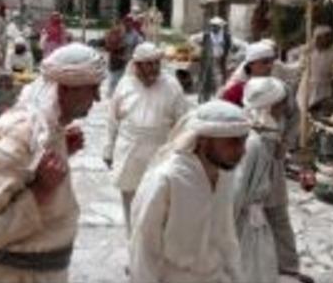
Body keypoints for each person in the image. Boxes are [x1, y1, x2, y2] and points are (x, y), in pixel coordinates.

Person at [0, 43, 104, 283]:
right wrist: (40, 191)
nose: (98, 98)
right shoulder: (18, 134)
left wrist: (63, 154)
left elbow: (28, 175)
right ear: (64, 90)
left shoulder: (50, 130)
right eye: (92, 88)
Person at [128, 100, 248, 283]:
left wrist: (236, 276)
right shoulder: (167, 179)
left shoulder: (225, 175)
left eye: (243, 141)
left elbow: (227, 236)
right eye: (232, 142)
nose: (241, 150)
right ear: (203, 141)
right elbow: (144, 245)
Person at [103, 42, 190, 235]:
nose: (153, 69)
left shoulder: (172, 86)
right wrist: (108, 148)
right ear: (137, 65)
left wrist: (182, 153)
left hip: (159, 153)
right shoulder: (125, 84)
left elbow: (183, 122)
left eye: (156, 64)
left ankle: (152, 253)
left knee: (157, 206)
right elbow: (112, 119)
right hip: (129, 152)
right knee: (131, 205)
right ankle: (134, 250)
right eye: (148, 64)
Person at [234, 77, 289, 283]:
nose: (284, 107)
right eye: (280, 103)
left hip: (254, 217)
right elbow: (238, 189)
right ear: (268, 106)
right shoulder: (253, 141)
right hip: (245, 219)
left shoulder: (266, 133)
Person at [190, 16, 245, 102]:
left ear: (221, 27)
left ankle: (219, 100)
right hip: (208, 60)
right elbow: (192, 39)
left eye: (216, 26)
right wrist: (199, 49)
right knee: (205, 81)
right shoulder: (205, 35)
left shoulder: (227, 37)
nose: (214, 28)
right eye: (212, 26)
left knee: (220, 81)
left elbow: (243, 46)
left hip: (221, 61)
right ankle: (204, 100)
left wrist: (235, 57)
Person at [221, 41, 275, 107]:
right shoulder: (236, 91)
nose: (270, 66)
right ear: (251, 64)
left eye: (272, 62)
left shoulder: (275, 86)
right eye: (265, 62)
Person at [297, 25, 333, 109]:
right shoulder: (308, 50)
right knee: (305, 110)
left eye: (329, 37)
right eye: (325, 37)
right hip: (308, 86)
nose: (328, 40)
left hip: (325, 88)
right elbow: (301, 66)